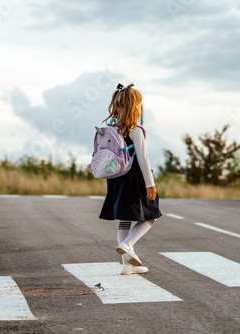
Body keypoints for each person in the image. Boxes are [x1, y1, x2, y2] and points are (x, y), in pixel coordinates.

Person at [99, 82, 162, 275]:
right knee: (151, 215)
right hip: (134, 178)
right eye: (139, 105)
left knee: (125, 218)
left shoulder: (110, 128)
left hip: (116, 179)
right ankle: (128, 245)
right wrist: (150, 184)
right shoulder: (135, 129)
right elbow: (143, 159)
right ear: (134, 107)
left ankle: (127, 265)